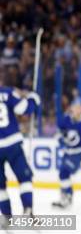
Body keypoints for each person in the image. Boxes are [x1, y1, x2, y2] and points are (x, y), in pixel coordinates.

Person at [0, 87, 39, 218]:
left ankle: (6, 217)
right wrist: (33, 99)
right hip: (12, 144)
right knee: (25, 178)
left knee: (0, 186)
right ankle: (27, 210)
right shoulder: (7, 93)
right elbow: (23, 109)